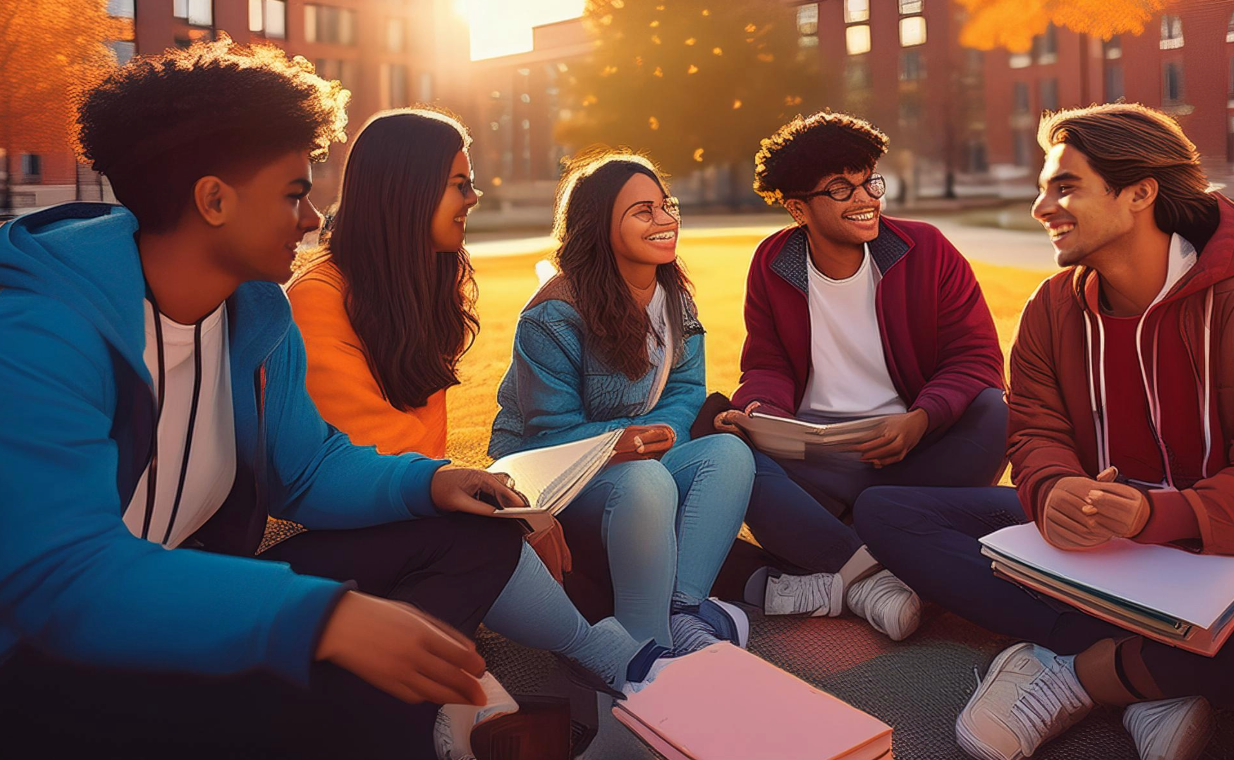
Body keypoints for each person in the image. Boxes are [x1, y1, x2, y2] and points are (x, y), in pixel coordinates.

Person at [0, 39, 652, 759]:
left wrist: (432, 479)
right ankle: (382, 716)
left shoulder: (254, 313)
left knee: (474, 530)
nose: (312, 219)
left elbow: (306, 471)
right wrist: (324, 618)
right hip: (46, 652)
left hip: (205, 589)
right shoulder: (43, 331)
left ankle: (400, 710)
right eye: (293, 193)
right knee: (332, 676)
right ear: (213, 200)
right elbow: (61, 577)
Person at [854, 103, 1234, 760]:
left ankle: (1087, 673)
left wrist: (1152, 513)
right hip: (1101, 547)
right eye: (1043, 187)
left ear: (1139, 193)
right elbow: (1035, 433)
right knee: (888, 512)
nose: (1041, 207)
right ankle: (1172, 665)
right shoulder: (1052, 309)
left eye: (1064, 186)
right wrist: (1053, 491)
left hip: (1224, 546)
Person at [287, 107, 679, 707]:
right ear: (407, 189)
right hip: (368, 511)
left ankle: (636, 646)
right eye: (459, 184)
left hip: (418, 499)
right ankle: (609, 662)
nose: (475, 196)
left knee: (533, 537)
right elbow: (367, 457)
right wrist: (499, 510)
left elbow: (421, 448)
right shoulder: (319, 300)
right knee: (491, 538)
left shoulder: (420, 288)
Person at [712, 112, 1007, 637]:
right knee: (718, 430)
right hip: (817, 455)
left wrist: (920, 419)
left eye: (869, 179)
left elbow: (976, 356)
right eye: (841, 188)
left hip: (914, 448)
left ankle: (833, 551)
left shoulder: (926, 250)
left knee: (994, 411)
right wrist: (761, 412)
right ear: (798, 207)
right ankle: (867, 573)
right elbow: (767, 363)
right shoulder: (773, 263)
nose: (866, 197)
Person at [489, 150, 755, 655]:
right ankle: (643, 643)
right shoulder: (552, 314)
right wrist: (622, 444)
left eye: (665, 205)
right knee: (645, 478)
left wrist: (664, 435)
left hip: (635, 459)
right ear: (599, 225)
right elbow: (547, 433)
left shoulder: (675, 300)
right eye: (643, 210)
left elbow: (685, 391)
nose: (664, 220)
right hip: (552, 475)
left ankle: (682, 611)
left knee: (729, 455)